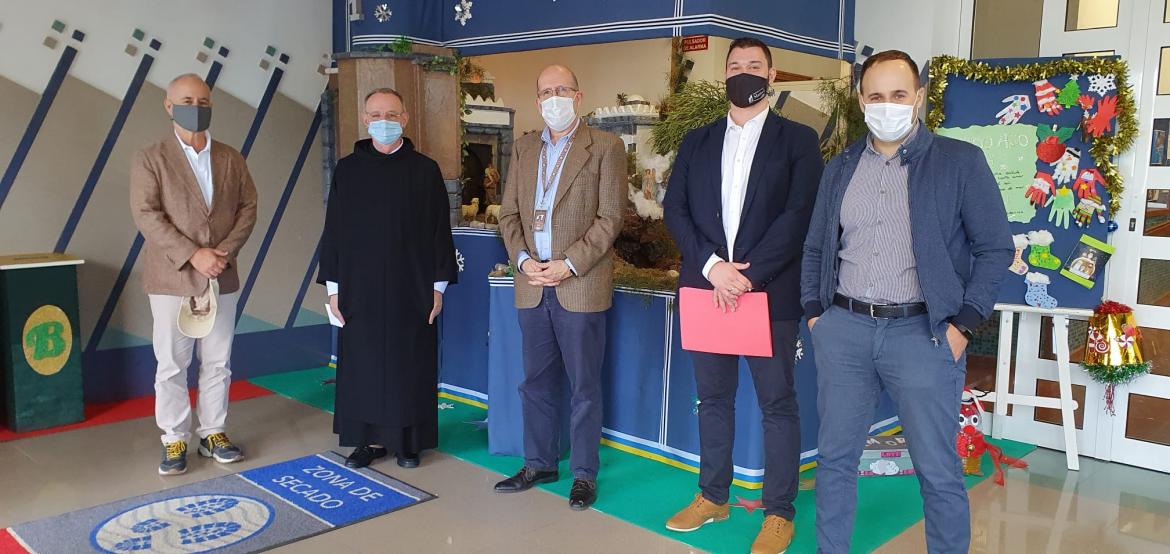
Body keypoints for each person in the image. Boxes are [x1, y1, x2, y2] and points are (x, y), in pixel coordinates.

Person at [800, 50, 1013, 553]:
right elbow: (815, 246)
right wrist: (816, 315)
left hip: (924, 335)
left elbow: (995, 247)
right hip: (845, 331)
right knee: (833, 461)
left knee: (938, 471)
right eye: (876, 96)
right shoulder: (841, 167)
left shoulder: (960, 162)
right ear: (860, 101)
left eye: (899, 95)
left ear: (918, 97)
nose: (887, 105)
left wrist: (964, 324)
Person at [662, 38, 824, 554]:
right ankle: (713, 495)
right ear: (725, 74)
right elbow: (676, 211)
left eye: (754, 65)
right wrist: (712, 268)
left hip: (767, 293)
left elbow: (800, 215)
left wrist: (747, 277)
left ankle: (779, 513)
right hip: (707, 289)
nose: (744, 73)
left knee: (777, 403)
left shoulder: (798, 140)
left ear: (772, 76)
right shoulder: (697, 141)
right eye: (735, 66)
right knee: (713, 399)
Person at [494, 64, 626, 511]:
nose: (554, 98)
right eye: (545, 91)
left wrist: (568, 264)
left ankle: (584, 474)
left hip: (580, 284)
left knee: (584, 386)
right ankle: (539, 461)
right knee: (535, 382)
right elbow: (508, 215)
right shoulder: (524, 148)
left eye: (561, 90)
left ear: (578, 95)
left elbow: (610, 218)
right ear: (537, 101)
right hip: (532, 283)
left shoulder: (606, 147)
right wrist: (525, 260)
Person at [318, 87, 458, 470]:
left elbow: (438, 232)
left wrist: (438, 287)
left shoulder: (425, 170)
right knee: (363, 365)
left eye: (392, 115)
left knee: (408, 364)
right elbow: (334, 231)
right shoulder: (347, 170)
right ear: (365, 120)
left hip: (411, 287)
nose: (384, 122)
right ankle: (366, 442)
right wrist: (333, 289)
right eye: (376, 114)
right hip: (358, 289)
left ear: (405, 119)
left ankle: (408, 442)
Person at [130, 73, 257, 476]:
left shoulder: (230, 157)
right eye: (187, 100)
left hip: (222, 273)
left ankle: (213, 432)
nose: (196, 108)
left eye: (203, 101)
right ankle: (174, 438)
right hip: (172, 278)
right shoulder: (151, 158)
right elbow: (147, 214)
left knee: (218, 361)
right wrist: (192, 255)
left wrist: (222, 253)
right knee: (171, 363)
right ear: (169, 106)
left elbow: (248, 207)